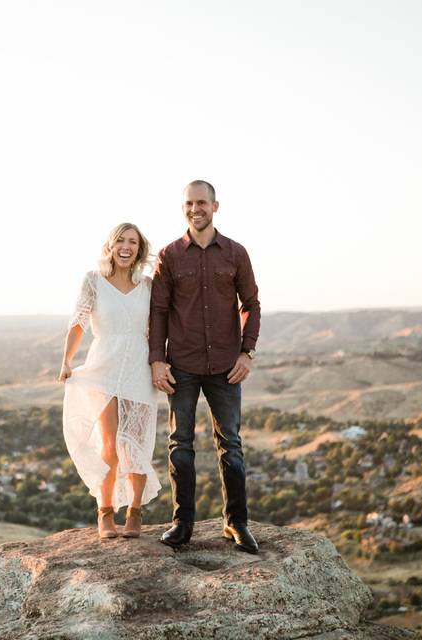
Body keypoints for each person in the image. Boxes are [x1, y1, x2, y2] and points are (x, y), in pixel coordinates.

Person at [149, 180, 262, 554]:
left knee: (231, 444)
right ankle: (182, 525)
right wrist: (157, 360)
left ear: (215, 206)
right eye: (189, 203)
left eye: (202, 202)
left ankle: (237, 524)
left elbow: (251, 304)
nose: (195, 209)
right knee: (180, 443)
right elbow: (159, 311)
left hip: (226, 366)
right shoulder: (169, 256)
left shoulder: (235, 253)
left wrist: (247, 353)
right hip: (181, 364)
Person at [58, 223, 161, 539]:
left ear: (139, 249)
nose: (126, 246)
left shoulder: (149, 285)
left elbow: (160, 329)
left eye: (133, 242)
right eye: (121, 241)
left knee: (136, 444)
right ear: (111, 246)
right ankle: (105, 513)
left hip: (138, 371)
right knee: (110, 445)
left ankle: (134, 512)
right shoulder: (94, 280)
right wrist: (66, 360)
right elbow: (78, 323)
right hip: (103, 368)